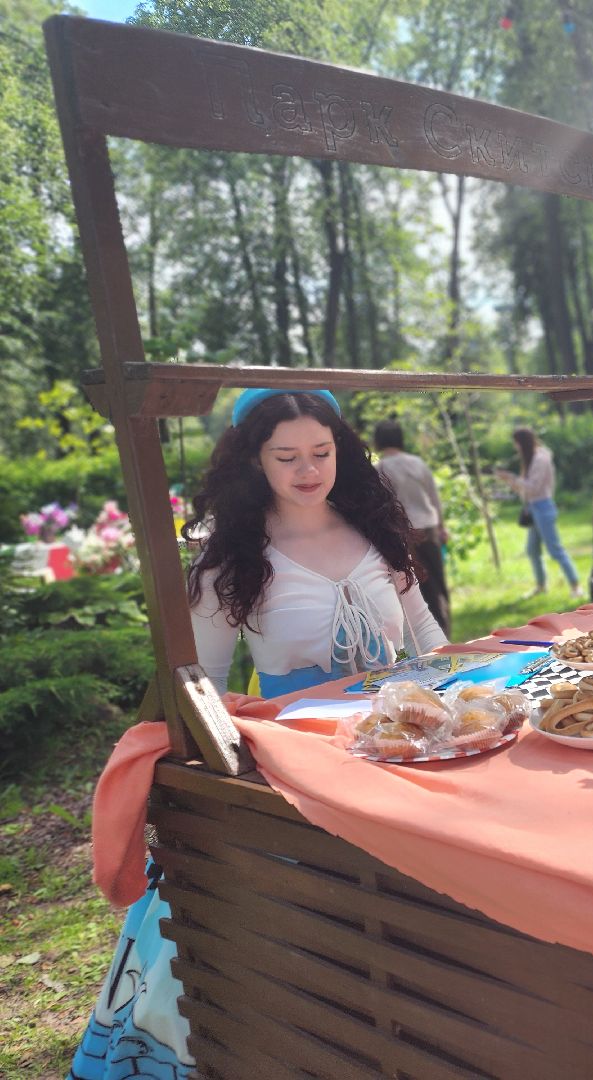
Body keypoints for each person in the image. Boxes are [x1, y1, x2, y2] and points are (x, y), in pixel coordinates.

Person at [71, 388, 448, 1080]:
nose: (309, 470)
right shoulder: (229, 556)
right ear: (256, 460)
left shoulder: (375, 528)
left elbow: (425, 635)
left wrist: (457, 696)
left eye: (321, 453)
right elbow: (204, 683)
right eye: (288, 457)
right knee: (316, 919)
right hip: (301, 761)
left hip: (404, 746)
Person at [373, 417, 452, 636]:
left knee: (416, 589)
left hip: (403, 535)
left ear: (378, 441)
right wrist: (442, 527)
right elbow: (434, 498)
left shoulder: (379, 469)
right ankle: (444, 630)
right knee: (437, 584)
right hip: (428, 530)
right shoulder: (417, 463)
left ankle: (428, 636)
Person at [496, 426, 583, 599]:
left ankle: (576, 586)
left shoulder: (540, 459)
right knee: (532, 550)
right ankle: (541, 586)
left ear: (523, 443)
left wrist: (512, 478)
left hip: (543, 507)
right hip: (533, 508)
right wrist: (510, 481)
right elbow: (526, 489)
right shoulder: (531, 459)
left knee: (555, 549)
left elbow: (533, 488)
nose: (515, 447)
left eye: (516, 443)